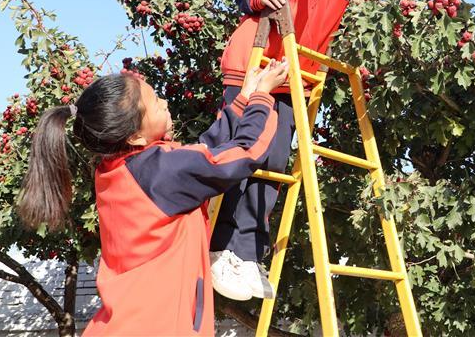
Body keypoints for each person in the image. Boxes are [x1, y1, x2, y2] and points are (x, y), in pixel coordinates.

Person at [208, 0, 466, 300]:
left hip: (294, 75)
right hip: (253, 65)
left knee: (271, 164)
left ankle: (248, 254)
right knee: (241, 154)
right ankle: (220, 249)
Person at [17, 60, 289, 335]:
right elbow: (243, 153)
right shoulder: (160, 171)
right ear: (135, 137)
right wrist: (263, 97)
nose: (164, 103)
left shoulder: (116, 171)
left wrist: (243, 99)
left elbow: (204, 152)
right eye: (156, 101)